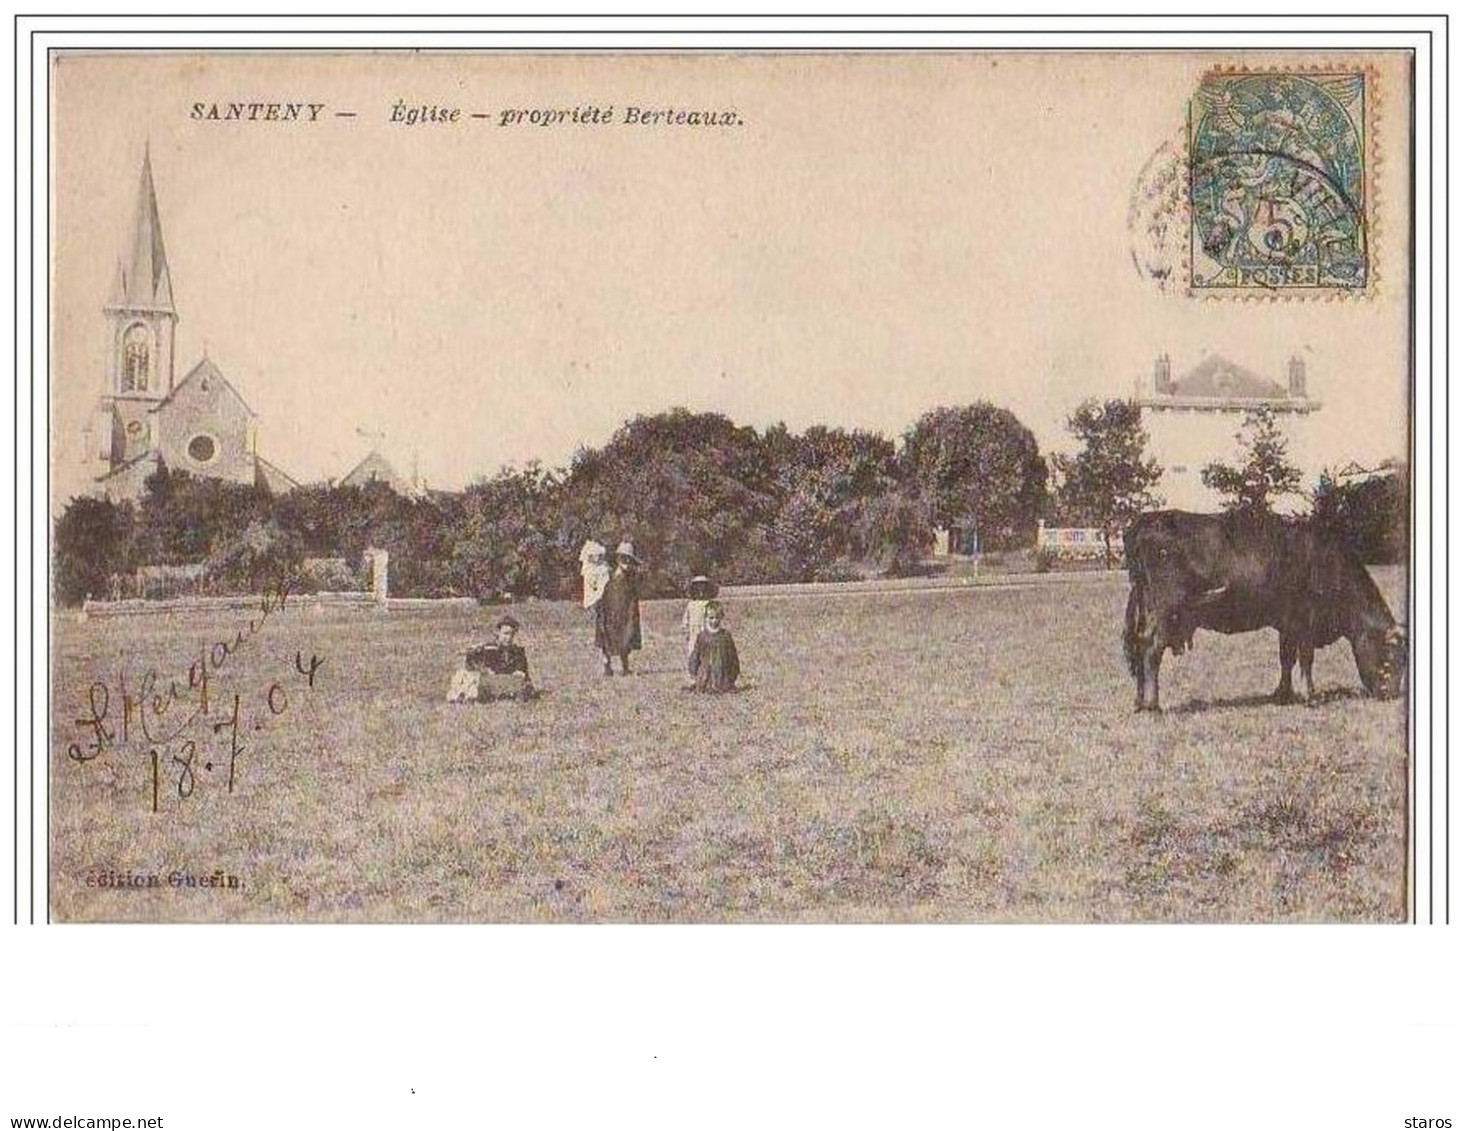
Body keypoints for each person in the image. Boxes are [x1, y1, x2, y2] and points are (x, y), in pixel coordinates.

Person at [446, 615, 536, 702]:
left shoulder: (518, 652)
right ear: (498, 633)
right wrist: (472, 654)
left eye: (512, 634)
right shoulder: (488, 649)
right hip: (490, 684)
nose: (508, 638)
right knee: (466, 677)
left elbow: (523, 674)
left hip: (508, 684)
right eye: (505, 634)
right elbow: (470, 666)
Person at [596, 541, 643, 676]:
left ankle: (625, 666)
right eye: (623, 558)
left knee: (625, 635)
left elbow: (634, 593)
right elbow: (601, 592)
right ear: (617, 558)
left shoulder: (631, 577)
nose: (626, 562)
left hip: (624, 610)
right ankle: (607, 664)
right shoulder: (608, 574)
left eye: (628, 559)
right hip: (608, 608)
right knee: (606, 635)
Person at [687, 601, 740, 693]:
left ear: (721, 617)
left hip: (722, 675)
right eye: (711, 618)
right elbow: (695, 655)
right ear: (705, 618)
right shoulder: (702, 636)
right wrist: (693, 670)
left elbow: (733, 657)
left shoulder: (725, 636)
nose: (714, 620)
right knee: (704, 683)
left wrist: (733, 674)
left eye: (717, 617)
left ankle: (722, 685)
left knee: (723, 687)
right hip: (705, 677)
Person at [681, 575, 718, 656]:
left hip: (706, 633)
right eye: (698, 586)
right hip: (694, 633)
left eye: (703, 586)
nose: (700, 589)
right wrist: (686, 632)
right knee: (693, 655)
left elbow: (715, 619)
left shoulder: (710, 604)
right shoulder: (691, 604)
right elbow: (685, 620)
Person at [580, 540, 610, 610]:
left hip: (600, 599)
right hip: (591, 599)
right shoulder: (588, 568)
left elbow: (603, 585)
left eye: (599, 556)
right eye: (591, 556)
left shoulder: (603, 569)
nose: (597, 558)